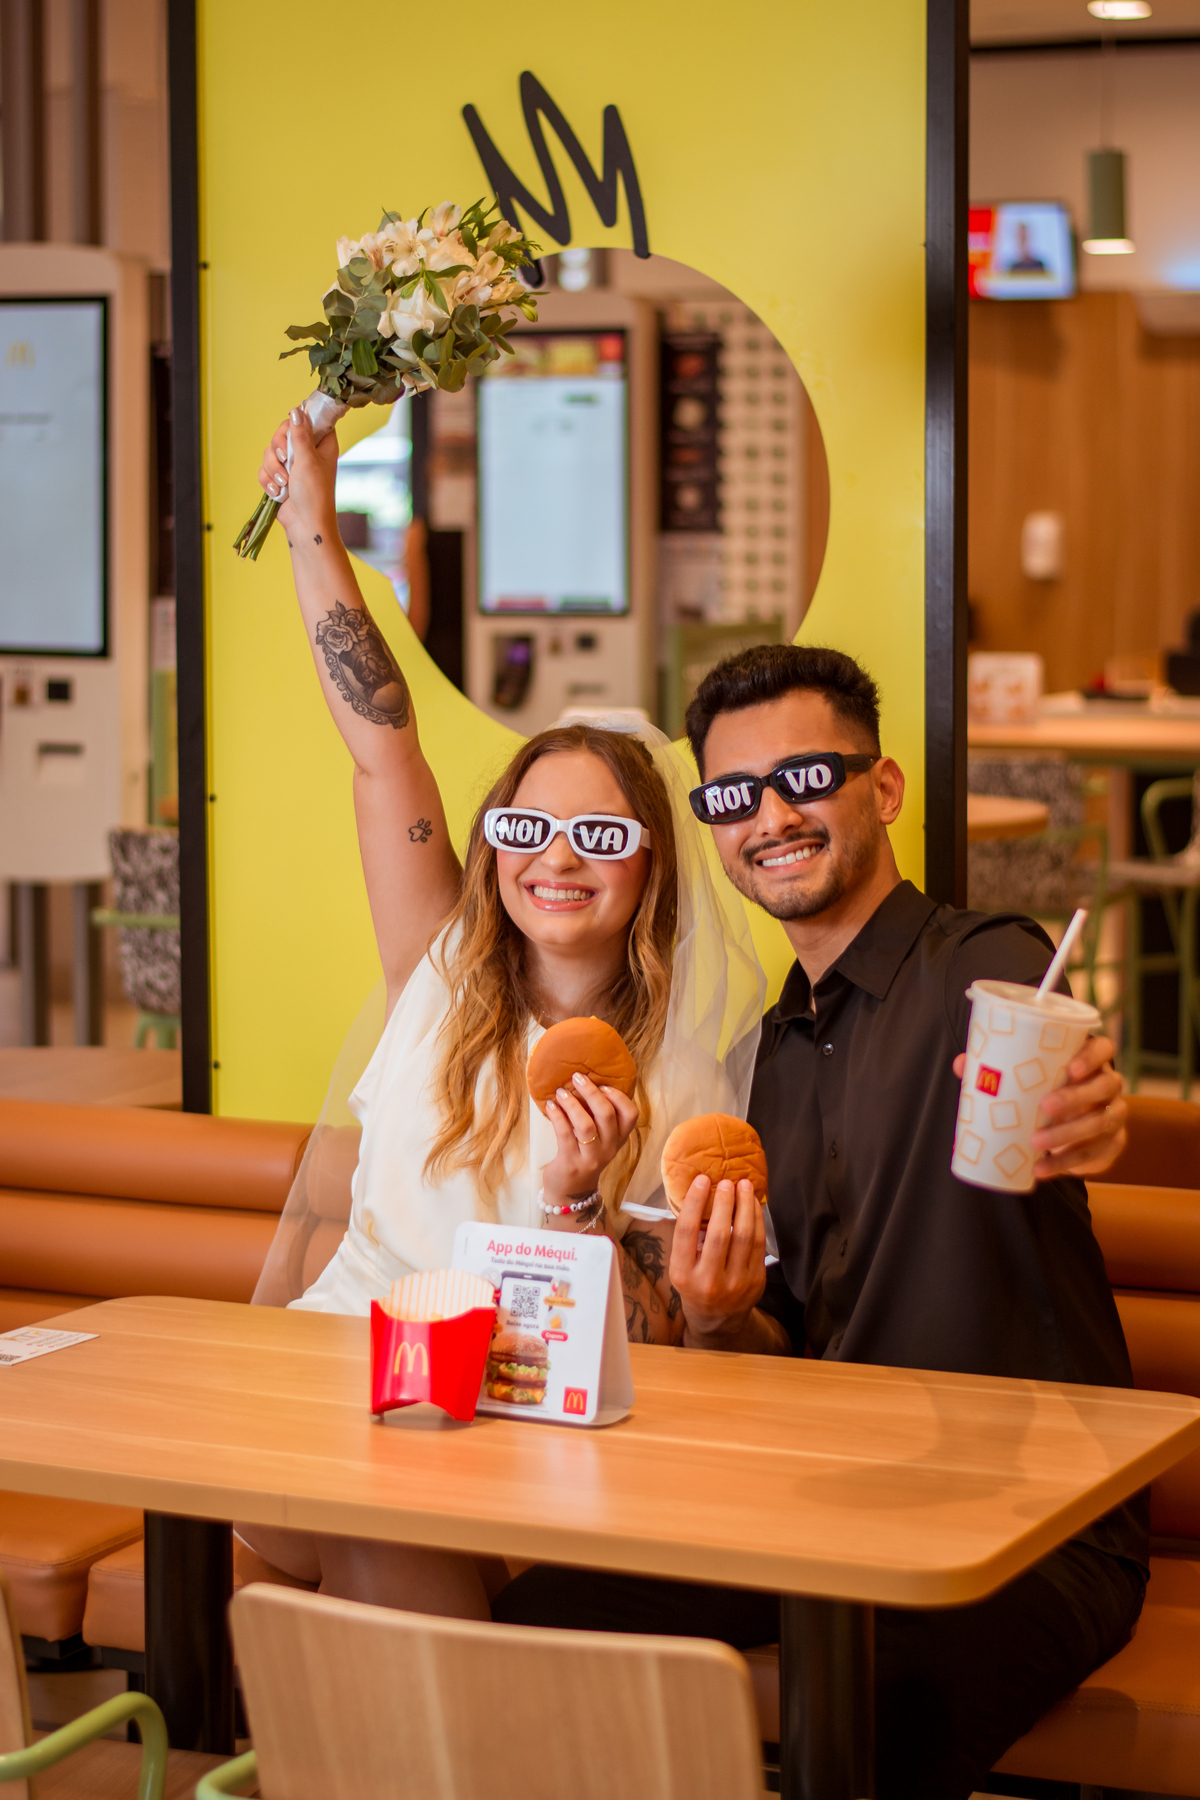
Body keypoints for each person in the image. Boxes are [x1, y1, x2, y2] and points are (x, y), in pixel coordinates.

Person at [496, 644, 1136, 1800]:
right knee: (536, 1617)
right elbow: (768, 1346)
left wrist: (1083, 1105)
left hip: (1034, 1523)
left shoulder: (980, 967)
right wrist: (714, 1310)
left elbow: (1065, 1064)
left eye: (807, 776)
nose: (771, 816)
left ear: (881, 790)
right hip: (825, 1511)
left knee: (882, 1707)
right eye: (734, 795)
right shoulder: (763, 1064)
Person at [237, 409, 764, 1617]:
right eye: (527, 829)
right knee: (378, 1513)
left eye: (599, 836)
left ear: (649, 868)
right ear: (491, 850)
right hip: (332, 1378)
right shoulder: (439, 975)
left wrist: (578, 1203)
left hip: (514, 1430)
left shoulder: (679, 1081)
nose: (556, 861)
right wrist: (315, 527)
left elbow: (657, 1350)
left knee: (394, 1541)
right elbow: (383, 751)